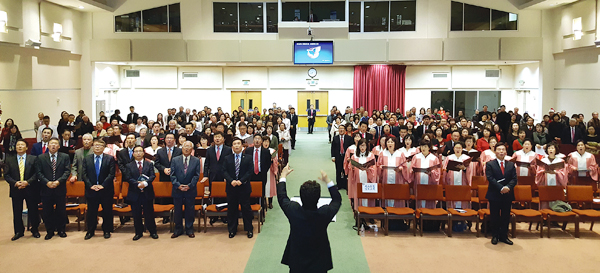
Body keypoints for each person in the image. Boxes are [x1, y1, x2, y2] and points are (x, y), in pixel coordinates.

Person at [277, 165, 341, 273]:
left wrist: (283, 176)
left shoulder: (293, 210)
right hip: (319, 263)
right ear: (318, 197)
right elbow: (337, 200)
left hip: (297, 262)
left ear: (301, 196)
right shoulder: (324, 213)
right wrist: (328, 181)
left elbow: (282, 197)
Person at [4, 139, 41, 240]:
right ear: (15, 147)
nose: (20, 147)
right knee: (17, 211)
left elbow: (37, 173)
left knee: (33, 210)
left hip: (30, 188)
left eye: (22, 145)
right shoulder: (9, 159)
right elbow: (6, 175)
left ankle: (35, 229)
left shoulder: (33, 159)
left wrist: (27, 182)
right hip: (16, 189)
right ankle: (19, 231)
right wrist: (15, 183)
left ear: (26, 148)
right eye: (18, 145)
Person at [36, 137, 71, 240]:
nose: (53, 145)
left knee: (61, 210)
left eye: (55, 144)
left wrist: (58, 182)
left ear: (59, 146)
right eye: (51, 144)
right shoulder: (41, 157)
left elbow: (67, 171)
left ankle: (61, 230)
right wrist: (47, 182)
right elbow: (38, 172)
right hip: (46, 188)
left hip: (59, 188)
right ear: (48, 146)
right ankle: (49, 231)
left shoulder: (65, 157)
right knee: (47, 211)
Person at [82, 139, 116, 239]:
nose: (97, 147)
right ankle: (90, 231)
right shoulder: (87, 158)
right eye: (95, 145)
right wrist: (90, 185)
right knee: (91, 212)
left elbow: (111, 174)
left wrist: (103, 185)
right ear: (92, 146)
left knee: (107, 211)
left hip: (106, 190)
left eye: (100, 145)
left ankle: (107, 230)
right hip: (91, 189)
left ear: (104, 148)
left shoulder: (109, 158)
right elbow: (84, 174)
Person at [222, 137, 254, 238]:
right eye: (234, 144)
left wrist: (241, 181)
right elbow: (224, 171)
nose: (236, 145)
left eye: (238, 144)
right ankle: (232, 229)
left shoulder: (248, 158)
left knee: (246, 209)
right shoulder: (227, 158)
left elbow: (250, 171)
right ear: (232, 147)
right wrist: (231, 181)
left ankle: (249, 229)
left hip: (244, 187)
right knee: (232, 209)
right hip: (231, 187)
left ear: (242, 146)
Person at [485, 142, 517, 246]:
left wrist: (508, 187)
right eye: (499, 150)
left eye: (503, 150)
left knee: (505, 216)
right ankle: (495, 235)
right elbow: (490, 178)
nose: (501, 152)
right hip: (494, 193)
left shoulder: (511, 164)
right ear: (495, 152)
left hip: (507, 194)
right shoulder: (490, 164)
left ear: (506, 152)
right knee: (494, 215)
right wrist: (501, 187)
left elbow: (514, 179)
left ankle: (504, 236)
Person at [125, 146, 158, 240]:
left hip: (147, 192)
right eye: (136, 151)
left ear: (143, 153)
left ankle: (152, 231)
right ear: (133, 154)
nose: (138, 153)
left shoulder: (149, 164)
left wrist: (145, 183)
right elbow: (128, 177)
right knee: (136, 214)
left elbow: (152, 175)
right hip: (134, 192)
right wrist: (137, 184)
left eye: (140, 151)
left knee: (149, 213)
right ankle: (138, 233)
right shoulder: (129, 165)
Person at [170, 141, 201, 238]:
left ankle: (189, 228)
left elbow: (197, 175)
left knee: (190, 210)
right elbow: (172, 175)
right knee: (178, 210)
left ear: (192, 149)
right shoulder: (175, 160)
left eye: (189, 147)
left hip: (190, 189)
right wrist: (178, 185)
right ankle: (178, 229)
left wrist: (190, 185)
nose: (186, 148)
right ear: (182, 148)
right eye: (185, 146)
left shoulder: (196, 160)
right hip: (177, 189)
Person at [534, 142, 569, 209]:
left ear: (556, 150)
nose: (550, 150)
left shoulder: (560, 161)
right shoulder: (543, 160)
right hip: (545, 183)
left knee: (556, 199)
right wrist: (544, 171)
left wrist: (556, 172)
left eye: (552, 148)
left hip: (557, 184)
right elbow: (538, 173)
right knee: (545, 201)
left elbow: (564, 174)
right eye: (549, 148)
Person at [408, 139, 441, 209]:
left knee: (429, 203)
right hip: (418, 182)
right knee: (419, 203)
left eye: (425, 146)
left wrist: (431, 172)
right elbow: (411, 169)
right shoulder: (416, 157)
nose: (423, 148)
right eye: (422, 146)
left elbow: (437, 172)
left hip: (430, 183)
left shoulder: (434, 158)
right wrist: (413, 171)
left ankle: (429, 218)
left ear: (429, 147)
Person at [244, 134, 271, 217]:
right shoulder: (248, 150)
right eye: (255, 139)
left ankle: (261, 212)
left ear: (261, 141)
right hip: (250, 175)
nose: (257, 140)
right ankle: (250, 213)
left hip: (261, 174)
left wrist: (262, 171)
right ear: (253, 140)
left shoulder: (266, 151)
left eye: (259, 139)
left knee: (261, 193)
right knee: (250, 192)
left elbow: (268, 163)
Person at [347, 139, 377, 210]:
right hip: (358, 179)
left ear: (367, 146)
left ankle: (369, 213)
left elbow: (374, 168)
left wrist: (368, 169)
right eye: (360, 145)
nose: (362, 147)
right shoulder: (354, 156)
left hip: (367, 179)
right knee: (359, 195)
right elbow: (350, 168)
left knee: (367, 197)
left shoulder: (371, 155)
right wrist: (353, 167)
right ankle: (359, 213)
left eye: (364, 145)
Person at [377, 137, 407, 208]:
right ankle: (386, 211)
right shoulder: (382, 153)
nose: (390, 143)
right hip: (386, 178)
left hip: (397, 178)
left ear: (395, 143)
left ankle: (397, 214)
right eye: (388, 142)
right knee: (387, 194)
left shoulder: (400, 154)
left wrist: (400, 168)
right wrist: (380, 167)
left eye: (391, 142)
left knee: (396, 194)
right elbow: (378, 165)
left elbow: (404, 166)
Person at [442, 142, 471, 209]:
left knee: (462, 196)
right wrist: (447, 169)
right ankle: (451, 211)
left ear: (462, 149)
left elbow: (469, 171)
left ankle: (463, 214)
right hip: (452, 180)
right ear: (454, 149)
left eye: (459, 148)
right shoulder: (449, 158)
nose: (458, 149)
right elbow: (444, 169)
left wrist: (464, 169)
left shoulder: (466, 158)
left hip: (462, 180)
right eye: (456, 148)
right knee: (452, 196)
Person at [331, 126, 352, 191]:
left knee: (345, 170)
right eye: (340, 129)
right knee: (338, 170)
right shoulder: (335, 138)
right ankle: (339, 184)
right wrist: (333, 156)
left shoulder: (349, 138)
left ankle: (345, 184)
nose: (341, 130)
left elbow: (350, 148)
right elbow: (333, 148)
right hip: (338, 156)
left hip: (346, 157)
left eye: (342, 129)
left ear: (345, 130)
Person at [262, 136, 278, 209]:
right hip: (262, 171)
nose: (266, 143)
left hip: (270, 170)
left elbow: (275, 161)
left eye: (267, 142)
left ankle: (270, 202)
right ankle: (264, 202)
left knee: (270, 186)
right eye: (264, 141)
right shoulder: (260, 151)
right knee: (263, 186)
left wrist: (272, 160)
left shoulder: (272, 151)